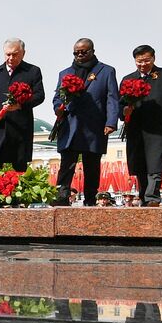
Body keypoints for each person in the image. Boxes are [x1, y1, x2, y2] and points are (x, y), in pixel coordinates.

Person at [51, 38, 119, 206]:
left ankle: (90, 199)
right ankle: (62, 195)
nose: (80, 55)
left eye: (84, 52)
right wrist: (58, 107)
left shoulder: (106, 71)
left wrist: (111, 122)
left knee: (92, 165)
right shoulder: (65, 73)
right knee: (67, 162)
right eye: (76, 52)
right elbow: (57, 98)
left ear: (93, 51)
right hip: (69, 125)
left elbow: (112, 98)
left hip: (94, 125)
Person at [120, 45, 162, 206]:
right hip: (135, 129)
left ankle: (152, 197)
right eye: (139, 61)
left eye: (147, 60)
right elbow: (119, 106)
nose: (143, 64)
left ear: (154, 58)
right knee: (139, 164)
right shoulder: (128, 79)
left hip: (159, 128)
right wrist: (125, 111)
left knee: (155, 163)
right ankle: (144, 197)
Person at [0, 38, 46, 172]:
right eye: (7, 54)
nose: (10, 58)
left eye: (14, 54)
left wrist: (20, 105)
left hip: (20, 129)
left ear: (23, 53)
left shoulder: (32, 71)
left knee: (20, 169)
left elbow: (39, 96)